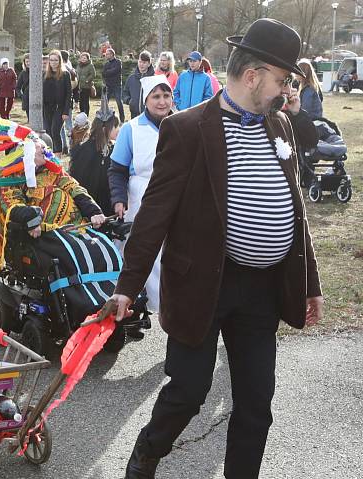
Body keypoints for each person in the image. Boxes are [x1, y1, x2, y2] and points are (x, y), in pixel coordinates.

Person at [113, 19, 322, 479]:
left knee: (256, 403)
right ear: (253, 76)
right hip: (205, 283)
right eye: (282, 80)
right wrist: (127, 287)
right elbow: (154, 216)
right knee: (188, 392)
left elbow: (296, 210)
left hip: (262, 290)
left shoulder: (281, 125)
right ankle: (148, 450)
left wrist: (311, 284)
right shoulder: (188, 129)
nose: (286, 90)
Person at [0, 138, 106, 268]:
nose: (45, 149)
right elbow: (11, 204)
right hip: (48, 232)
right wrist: (31, 219)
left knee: (101, 246)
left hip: (77, 227)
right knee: (76, 253)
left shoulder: (51, 170)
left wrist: (93, 211)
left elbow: (74, 188)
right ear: (25, 153)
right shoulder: (9, 177)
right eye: (39, 146)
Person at [109, 75, 173, 315]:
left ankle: (166, 307)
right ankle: (136, 305)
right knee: (141, 253)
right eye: (156, 96)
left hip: (174, 197)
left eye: (166, 96)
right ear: (145, 100)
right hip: (139, 200)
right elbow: (117, 170)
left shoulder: (180, 124)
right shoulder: (131, 129)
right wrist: (118, 199)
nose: (161, 102)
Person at [69, 102, 120, 216]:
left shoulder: (114, 148)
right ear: (104, 129)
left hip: (110, 205)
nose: (118, 129)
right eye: (115, 126)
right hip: (89, 207)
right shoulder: (84, 151)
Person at [42, 50, 72, 155]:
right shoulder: (44, 74)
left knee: (55, 131)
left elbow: (69, 94)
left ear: (60, 61)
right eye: (51, 60)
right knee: (48, 132)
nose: (53, 62)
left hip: (60, 108)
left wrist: (66, 111)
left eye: (56, 60)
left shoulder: (65, 74)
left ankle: (58, 156)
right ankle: (50, 155)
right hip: (47, 108)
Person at [123, 50, 156, 118]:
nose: (141, 64)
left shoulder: (154, 79)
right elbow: (124, 93)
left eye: (144, 62)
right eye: (140, 62)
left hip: (150, 116)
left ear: (149, 64)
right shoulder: (131, 78)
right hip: (134, 115)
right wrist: (129, 101)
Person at [103, 48, 126, 122]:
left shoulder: (118, 62)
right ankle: (104, 117)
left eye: (107, 54)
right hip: (108, 85)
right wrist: (109, 72)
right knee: (105, 103)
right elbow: (104, 73)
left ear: (112, 54)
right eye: (106, 54)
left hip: (117, 85)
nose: (106, 55)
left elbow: (116, 70)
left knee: (119, 102)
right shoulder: (106, 64)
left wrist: (108, 72)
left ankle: (122, 119)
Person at [15, 54, 31, 118]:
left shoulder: (40, 71)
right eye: (27, 61)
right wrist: (21, 96)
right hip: (27, 98)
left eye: (30, 61)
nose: (28, 63)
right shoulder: (23, 73)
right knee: (30, 120)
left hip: (39, 99)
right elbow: (18, 87)